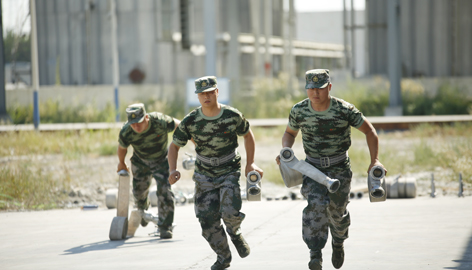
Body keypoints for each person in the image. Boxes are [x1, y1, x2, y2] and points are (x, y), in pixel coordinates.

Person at [276, 69, 387, 270]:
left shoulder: (344, 109)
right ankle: (315, 253)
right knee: (315, 206)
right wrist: (286, 150)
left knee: (337, 212)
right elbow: (289, 133)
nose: (315, 93)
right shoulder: (299, 110)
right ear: (306, 88)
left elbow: (370, 131)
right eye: (311, 89)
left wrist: (375, 161)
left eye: (319, 88)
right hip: (312, 168)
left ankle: (338, 241)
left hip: (339, 168)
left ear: (329, 87)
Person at [167, 76, 263, 270]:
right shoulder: (191, 120)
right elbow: (174, 146)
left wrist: (250, 163)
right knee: (207, 220)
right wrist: (172, 169)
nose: (206, 96)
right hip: (204, 175)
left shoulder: (231, 115)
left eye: (210, 92)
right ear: (197, 96)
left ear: (217, 92)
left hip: (229, 170)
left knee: (229, 212)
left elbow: (248, 134)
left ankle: (235, 233)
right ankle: (223, 257)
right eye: (202, 93)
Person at [117, 103, 180, 239]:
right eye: (133, 124)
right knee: (139, 194)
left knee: (165, 191)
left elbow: (180, 126)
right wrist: (121, 163)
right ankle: (143, 211)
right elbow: (122, 148)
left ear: (146, 117)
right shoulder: (127, 130)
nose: (136, 127)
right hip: (141, 162)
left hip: (161, 161)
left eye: (139, 123)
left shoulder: (159, 121)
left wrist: (196, 144)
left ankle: (165, 227)